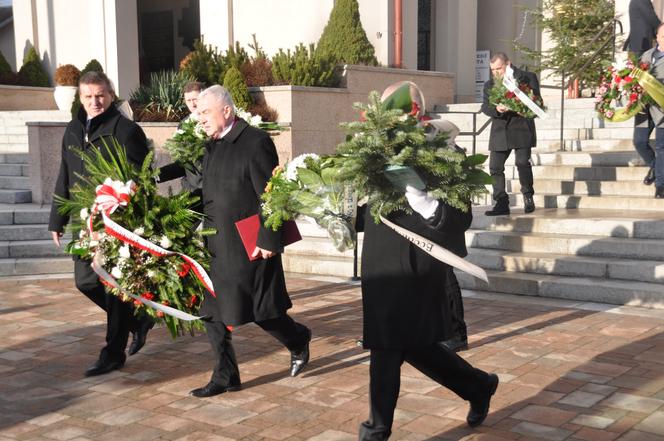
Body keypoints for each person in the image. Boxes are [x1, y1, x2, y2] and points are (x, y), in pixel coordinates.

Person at [189, 85, 311, 398]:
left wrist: (269, 237)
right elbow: (206, 193)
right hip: (215, 245)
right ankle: (225, 375)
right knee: (211, 313)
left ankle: (298, 340)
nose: (199, 118)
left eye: (205, 112)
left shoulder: (255, 143)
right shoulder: (211, 145)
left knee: (263, 313)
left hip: (251, 246)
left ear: (226, 111)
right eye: (198, 112)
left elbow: (273, 194)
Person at [357, 187, 498, 439]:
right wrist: (332, 210)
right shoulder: (374, 151)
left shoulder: (442, 149)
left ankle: (375, 432)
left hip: (415, 264)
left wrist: (428, 205)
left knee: (386, 347)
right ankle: (477, 386)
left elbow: (459, 216)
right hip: (379, 264)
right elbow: (371, 215)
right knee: (413, 346)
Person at [49, 71, 153, 376]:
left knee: (112, 287)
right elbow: (64, 175)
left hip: (114, 223)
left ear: (110, 95)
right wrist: (57, 218)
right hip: (84, 221)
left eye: (100, 95)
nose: (95, 102)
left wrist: (128, 216)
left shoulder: (126, 130)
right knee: (85, 281)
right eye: (88, 96)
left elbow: (140, 180)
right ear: (80, 98)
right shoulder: (72, 129)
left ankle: (113, 352)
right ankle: (137, 320)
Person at [481, 52, 540, 216]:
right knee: (495, 167)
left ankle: (528, 197)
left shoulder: (527, 77)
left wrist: (521, 107)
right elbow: (485, 107)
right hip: (500, 129)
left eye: (498, 68)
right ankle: (501, 202)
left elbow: (537, 102)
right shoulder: (489, 85)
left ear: (508, 63)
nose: (495, 73)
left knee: (522, 163)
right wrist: (497, 109)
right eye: (492, 70)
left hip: (522, 127)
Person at [157, 81, 205, 202]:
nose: (192, 104)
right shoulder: (183, 124)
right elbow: (182, 161)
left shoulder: (214, 121)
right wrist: (157, 175)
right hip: (190, 188)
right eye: (188, 100)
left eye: (195, 99)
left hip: (212, 187)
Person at [634, 23, 664, 198]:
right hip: (644, 109)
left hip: (661, 110)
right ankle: (654, 167)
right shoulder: (646, 55)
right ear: (657, 38)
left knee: (661, 148)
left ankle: (660, 185)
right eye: (663, 36)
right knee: (639, 142)